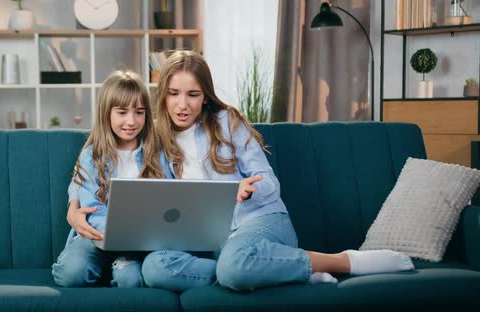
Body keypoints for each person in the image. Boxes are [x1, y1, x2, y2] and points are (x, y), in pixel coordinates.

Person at [139, 50, 414, 292]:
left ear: (206, 98)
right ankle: (274, 272)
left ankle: (341, 261)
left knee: (233, 265)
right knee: (155, 268)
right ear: (163, 95)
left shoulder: (226, 121)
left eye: (193, 95)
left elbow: (269, 182)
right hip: (208, 239)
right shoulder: (157, 139)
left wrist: (245, 190)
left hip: (257, 221)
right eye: (174, 94)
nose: (182, 104)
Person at [51, 69, 168, 288]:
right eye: (122, 112)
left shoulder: (157, 154)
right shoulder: (92, 156)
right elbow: (91, 209)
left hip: (139, 243)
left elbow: (168, 200)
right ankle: (104, 265)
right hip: (94, 238)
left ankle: (117, 266)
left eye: (139, 112)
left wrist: (136, 240)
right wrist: (116, 236)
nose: (131, 121)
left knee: (130, 280)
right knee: (71, 273)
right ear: (107, 113)